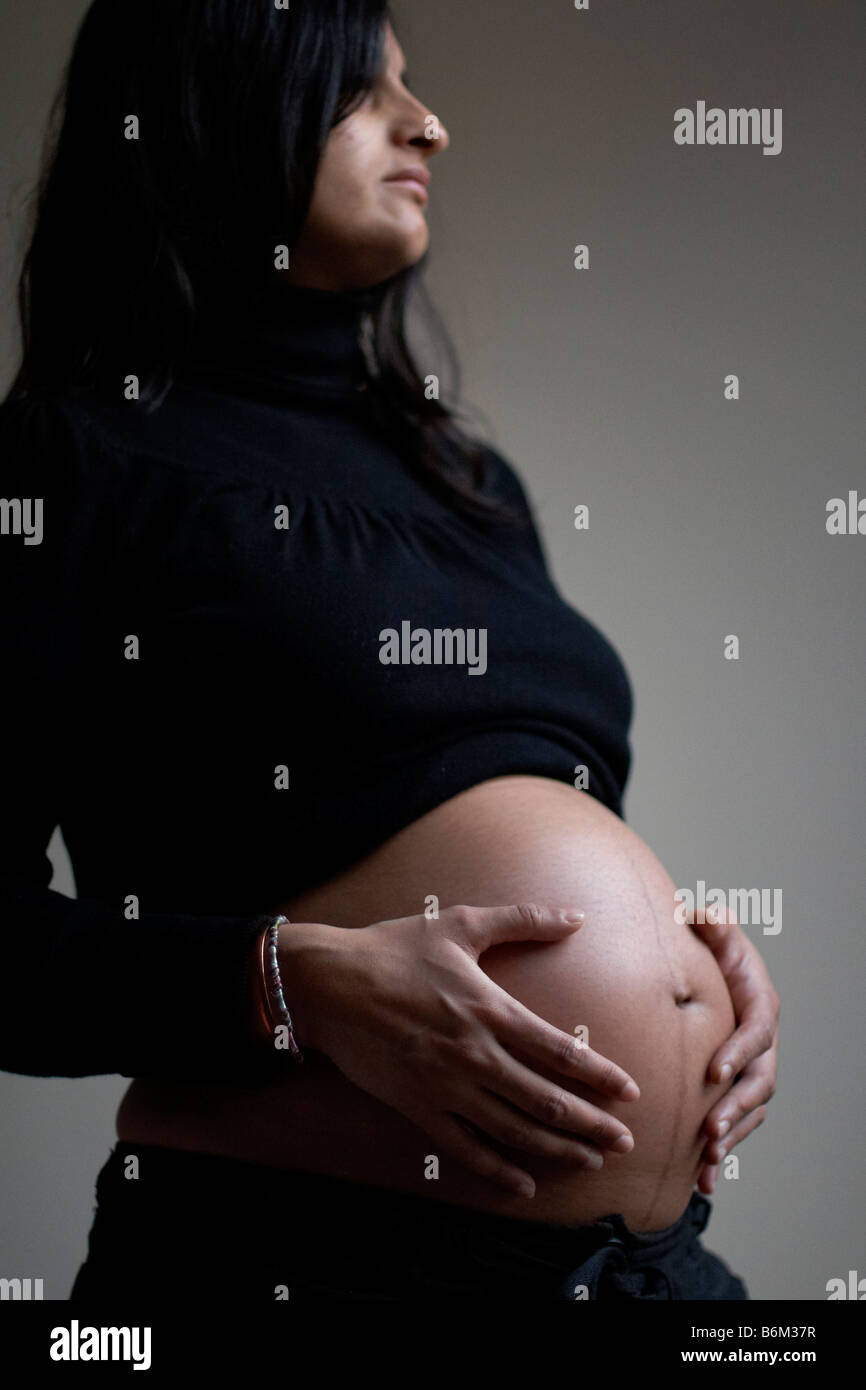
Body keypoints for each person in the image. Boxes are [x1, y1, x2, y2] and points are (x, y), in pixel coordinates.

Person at [0, 0, 778, 1302]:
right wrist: (289, 977)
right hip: (300, 1256)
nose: (428, 124)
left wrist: (690, 964)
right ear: (216, 115)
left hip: (630, 1271)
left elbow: (495, 835)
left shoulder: (469, 479)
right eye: (364, 94)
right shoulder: (71, 461)